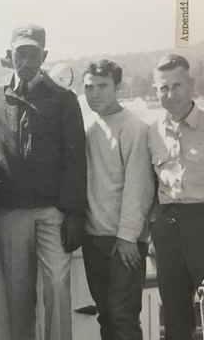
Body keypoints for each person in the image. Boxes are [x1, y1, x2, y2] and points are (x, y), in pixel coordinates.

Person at [0, 24, 87, 340]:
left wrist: (75, 213)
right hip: (11, 209)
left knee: (57, 285)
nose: (25, 60)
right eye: (19, 53)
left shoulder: (64, 99)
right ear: (10, 56)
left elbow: (76, 160)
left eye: (32, 54)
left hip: (54, 212)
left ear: (44, 56)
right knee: (18, 293)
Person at [81, 59, 155, 340]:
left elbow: (139, 187)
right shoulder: (90, 129)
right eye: (89, 87)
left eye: (103, 86)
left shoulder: (134, 127)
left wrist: (127, 237)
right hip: (93, 237)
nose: (95, 94)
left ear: (117, 88)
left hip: (123, 242)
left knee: (123, 317)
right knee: (106, 316)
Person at [148, 54, 204, 340]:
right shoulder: (152, 132)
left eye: (177, 85)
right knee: (174, 311)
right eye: (163, 88)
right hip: (167, 226)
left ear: (191, 84)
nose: (170, 95)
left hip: (201, 221)